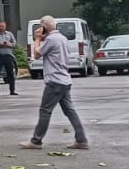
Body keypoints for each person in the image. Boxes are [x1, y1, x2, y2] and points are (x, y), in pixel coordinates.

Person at [21, 16, 88, 150]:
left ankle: (36, 140)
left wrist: (38, 38)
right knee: (70, 111)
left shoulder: (51, 39)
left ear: (44, 27)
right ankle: (81, 139)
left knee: (45, 111)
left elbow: (37, 54)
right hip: (64, 79)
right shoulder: (62, 38)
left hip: (54, 81)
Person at [0, 20, 17, 96]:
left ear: (5, 27)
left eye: (2, 26)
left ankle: (12, 91)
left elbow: (14, 43)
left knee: (10, 73)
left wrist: (9, 44)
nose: (1, 28)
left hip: (8, 56)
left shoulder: (9, 34)